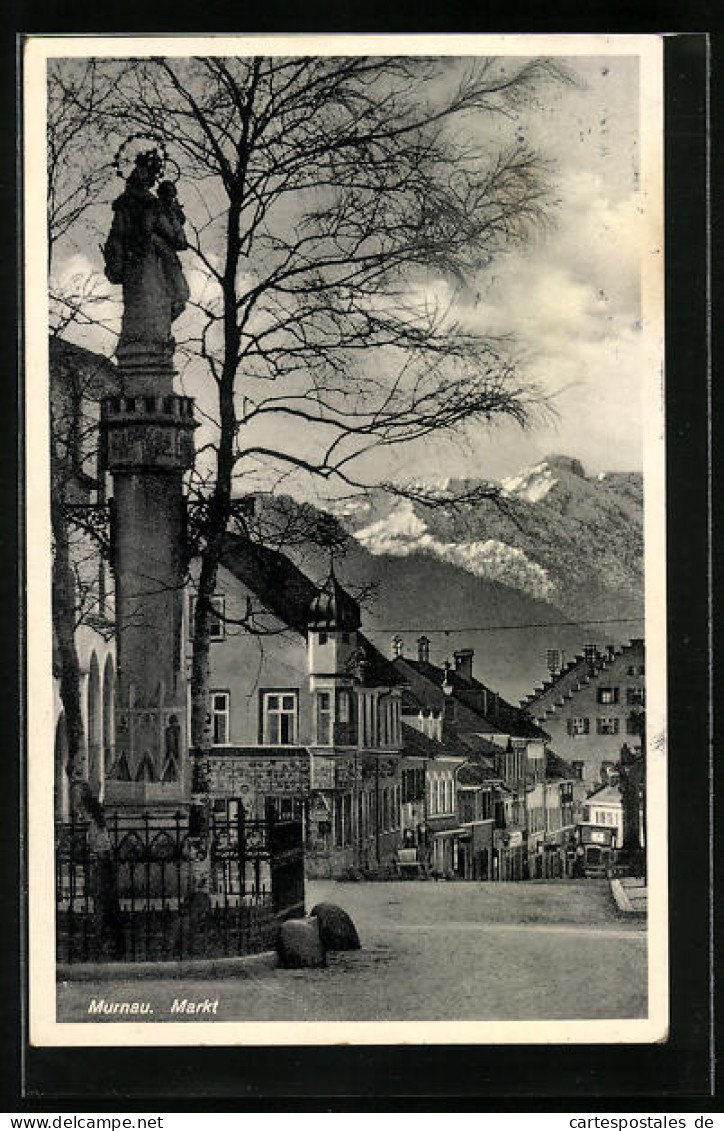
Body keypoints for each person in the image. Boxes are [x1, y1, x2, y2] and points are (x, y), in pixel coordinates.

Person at [77, 783, 126, 959]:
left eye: (82, 810)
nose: (80, 813)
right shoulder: (97, 826)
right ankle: (108, 940)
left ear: (88, 811)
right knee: (105, 904)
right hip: (102, 866)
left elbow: (100, 850)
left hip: (101, 867)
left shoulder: (95, 827)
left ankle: (105, 941)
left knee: (103, 904)